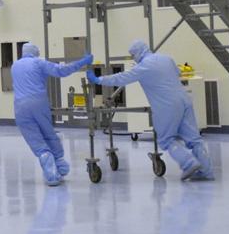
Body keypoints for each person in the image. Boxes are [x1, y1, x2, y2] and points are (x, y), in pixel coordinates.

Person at [86, 40, 214, 180]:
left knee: (166, 140)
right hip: (185, 100)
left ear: (138, 52)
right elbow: (178, 72)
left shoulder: (143, 67)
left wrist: (98, 80)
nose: (133, 57)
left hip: (167, 105)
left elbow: (121, 78)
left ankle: (188, 163)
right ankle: (206, 171)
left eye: (132, 54)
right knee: (194, 139)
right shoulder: (167, 58)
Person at [12, 42, 93, 186]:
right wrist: (83, 62)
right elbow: (62, 70)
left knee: (35, 140)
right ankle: (59, 166)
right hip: (38, 102)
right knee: (48, 133)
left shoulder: (15, 66)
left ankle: (52, 171)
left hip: (19, 107)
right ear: (35, 51)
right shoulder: (38, 63)